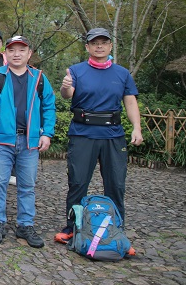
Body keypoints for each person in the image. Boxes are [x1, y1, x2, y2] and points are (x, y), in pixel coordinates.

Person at [54, 28, 143, 247]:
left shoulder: (122, 73)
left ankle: (116, 229)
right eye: (95, 43)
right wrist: (66, 87)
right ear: (87, 47)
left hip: (113, 134)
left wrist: (137, 128)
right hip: (83, 133)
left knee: (116, 183)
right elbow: (67, 95)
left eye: (104, 42)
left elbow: (130, 101)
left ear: (110, 46)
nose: (99, 46)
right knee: (77, 182)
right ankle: (72, 227)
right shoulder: (76, 71)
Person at [0, 35, 55, 248]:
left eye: (21, 50)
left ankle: (25, 224)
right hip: (2, 139)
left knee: (27, 185)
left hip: (29, 141)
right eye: (12, 50)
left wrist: (47, 133)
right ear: (6, 54)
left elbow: (49, 106)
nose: (17, 54)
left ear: (29, 53)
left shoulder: (39, 78)